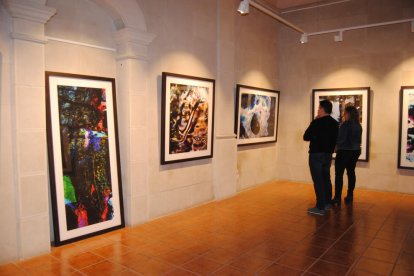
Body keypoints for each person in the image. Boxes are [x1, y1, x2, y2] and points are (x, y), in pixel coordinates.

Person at [304, 100, 339, 215]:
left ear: (323, 109)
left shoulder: (317, 122)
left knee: (318, 180)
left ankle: (320, 207)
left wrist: (314, 121)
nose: (318, 110)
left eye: (319, 108)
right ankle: (328, 202)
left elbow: (306, 136)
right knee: (326, 178)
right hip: (328, 155)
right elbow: (335, 140)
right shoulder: (334, 123)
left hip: (316, 155)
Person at [332, 105, 362, 205]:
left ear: (348, 114)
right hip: (355, 151)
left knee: (339, 175)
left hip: (344, 151)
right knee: (351, 172)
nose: (344, 114)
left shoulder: (346, 125)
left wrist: (336, 146)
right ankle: (350, 196)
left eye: (345, 113)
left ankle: (337, 198)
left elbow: (341, 139)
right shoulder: (358, 125)